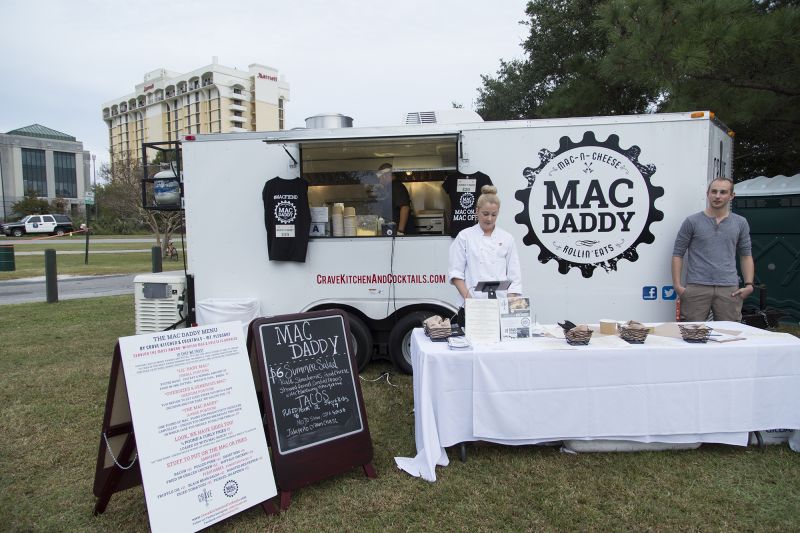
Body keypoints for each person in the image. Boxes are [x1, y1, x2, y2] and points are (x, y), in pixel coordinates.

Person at [672, 177, 755, 322]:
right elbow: (678, 253)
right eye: (714, 191)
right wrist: (678, 286)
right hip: (696, 286)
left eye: (723, 192)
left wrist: (749, 285)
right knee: (691, 334)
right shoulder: (692, 221)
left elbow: (746, 255)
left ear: (731, 196)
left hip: (729, 288)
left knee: (729, 335)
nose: (717, 196)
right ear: (707, 193)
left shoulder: (740, 222)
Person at [448, 185, 522, 307]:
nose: (489, 219)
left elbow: (514, 276)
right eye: (485, 214)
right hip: (471, 303)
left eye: (494, 214)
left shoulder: (507, 238)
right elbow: (456, 274)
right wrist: (470, 301)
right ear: (477, 211)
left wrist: (509, 303)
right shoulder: (464, 236)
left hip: (500, 303)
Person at [376, 163, 410, 235]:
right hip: (391, 231)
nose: (380, 180)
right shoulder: (390, 188)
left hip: (399, 233)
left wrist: (400, 231)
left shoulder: (397, 186)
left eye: (380, 177)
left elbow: (405, 207)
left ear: (385, 176)